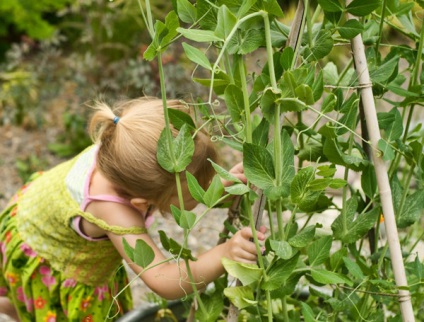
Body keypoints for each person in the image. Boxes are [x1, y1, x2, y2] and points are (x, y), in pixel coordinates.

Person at [0, 97, 266, 321]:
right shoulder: (114, 211)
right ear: (141, 204)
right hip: (52, 253)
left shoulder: (123, 146)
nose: (203, 190)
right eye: (196, 190)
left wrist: (220, 186)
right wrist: (226, 253)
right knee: (49, 305)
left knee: (25, 301)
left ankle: (15, 305)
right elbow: (163, 279)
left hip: (30, 212)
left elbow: (174, 187)